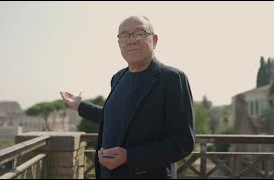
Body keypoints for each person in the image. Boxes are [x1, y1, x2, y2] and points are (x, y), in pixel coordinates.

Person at [60, 16, 195, 179]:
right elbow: (115, 118)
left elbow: (183, 142)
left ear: (155, 40)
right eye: (124, 35)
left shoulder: (172, 78)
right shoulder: (117, 78)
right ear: (119, 44)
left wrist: (129, 156)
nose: (131, 40)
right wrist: (80, 105)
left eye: (139, 33)